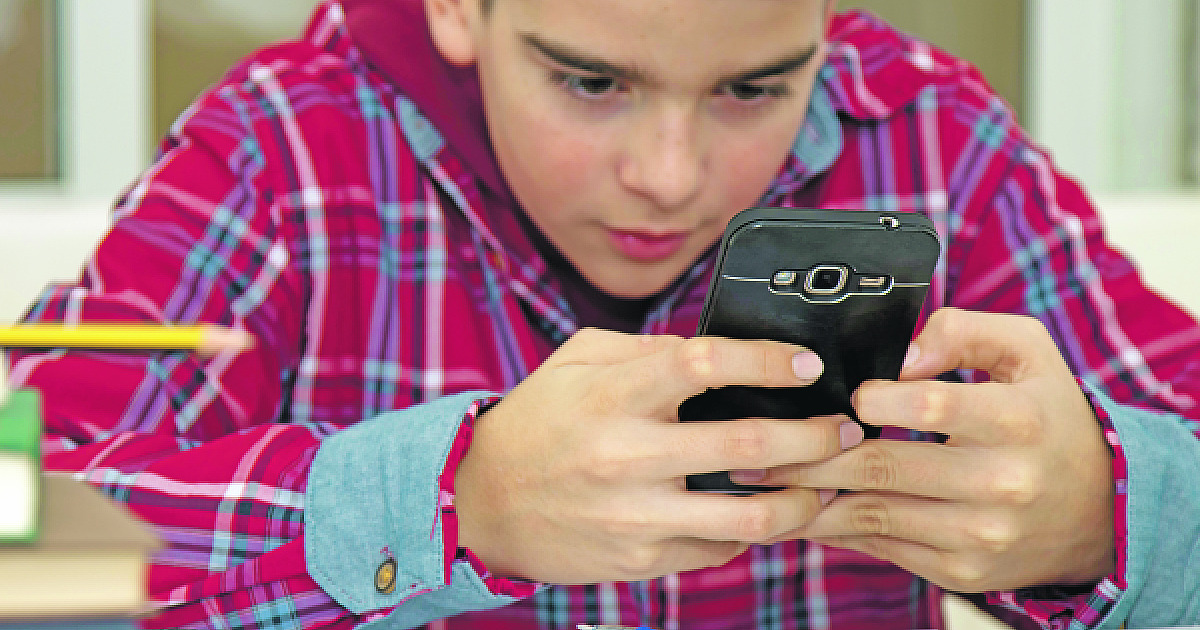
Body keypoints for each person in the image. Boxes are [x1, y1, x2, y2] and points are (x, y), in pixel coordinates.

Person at [8, 0, 1200, 628]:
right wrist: (449, 505)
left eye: (752, 88)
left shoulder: (938, 143)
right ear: (458, 8)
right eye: (591, 81)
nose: (669, 176)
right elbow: (28, 538)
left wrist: (1109, 518)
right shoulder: (277, 152)